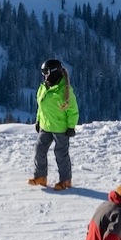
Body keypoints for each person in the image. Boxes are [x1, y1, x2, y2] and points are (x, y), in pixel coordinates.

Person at [30, 58, 80, 190]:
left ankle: (65, 180)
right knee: (39, 150)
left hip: (60, 128)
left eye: (46, 72)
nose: (44, 75)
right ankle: (40, 177)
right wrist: (38, 120)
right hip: (46, 127)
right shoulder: (44, 88)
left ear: (53, 72)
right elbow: (41, 107)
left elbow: (73, 111)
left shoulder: (65, 91)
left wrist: (71, 127)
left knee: (60, 154)